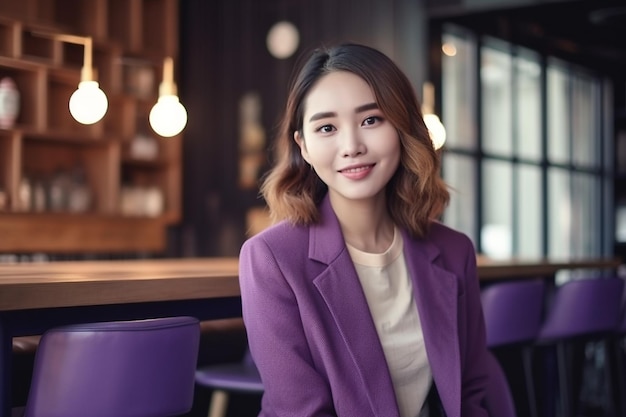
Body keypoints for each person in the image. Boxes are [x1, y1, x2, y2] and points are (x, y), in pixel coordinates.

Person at [239, 43, 489, 417]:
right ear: (303, 146)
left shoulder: (454, 251)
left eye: (371, 120)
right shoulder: (272, 259)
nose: (352, 146)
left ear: (403, 126)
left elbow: (472, 391)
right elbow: (299, 410)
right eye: (326, 127)